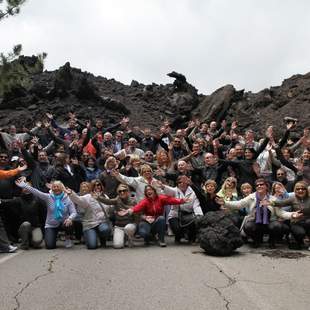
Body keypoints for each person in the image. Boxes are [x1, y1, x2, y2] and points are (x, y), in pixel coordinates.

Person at [220, 178, 301, 248]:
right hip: (255, 221)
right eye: (257, 185)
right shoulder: (251, 197)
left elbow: (281, 213)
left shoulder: (273, 199)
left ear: (266, 186)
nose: (259, 186)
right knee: (248, 226)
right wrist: (225, 203)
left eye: (261, 184)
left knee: (277, 226)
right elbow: (239, 204)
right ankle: (256, 239)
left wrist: (292, 215)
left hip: (270, 222)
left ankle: (271, 240)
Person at [15, 177, 77, 249]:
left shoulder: (67, 198)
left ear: (62, 188)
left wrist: (70, 218)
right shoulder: (48, 197)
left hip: (64, 223)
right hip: (51, 224)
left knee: (69, 224)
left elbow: (74, 212)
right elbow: (36, 192)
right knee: (50, 246)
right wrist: (25, 186)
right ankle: (54, 236)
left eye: (58, 187)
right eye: (54, 187)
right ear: (52, 188)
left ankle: (68, 238)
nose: (56, 188)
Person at [65, 181, 112, 250]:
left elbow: (110, 207)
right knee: (92, 246)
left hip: (102, 222)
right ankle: (90, 236)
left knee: (105, 229)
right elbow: (78, 200)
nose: (97, 187)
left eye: (98, 185)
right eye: (94, 185)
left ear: (101, 186)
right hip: (90, 224)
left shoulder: (105, 196)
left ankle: (102, 239)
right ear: (92, 187)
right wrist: (71, 194)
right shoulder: (88, 197)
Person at [270, 181, 310, 249]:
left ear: (306, 190)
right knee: (300, 234)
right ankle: (298, 239)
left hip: (308, 222)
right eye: (298, 189)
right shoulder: (293, 198)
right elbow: (280, 203)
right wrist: (270, 202)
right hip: (296, 222)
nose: (300, 190)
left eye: (303, 189)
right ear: (295, 190)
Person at [96, 184, 137, 248]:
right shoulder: (116, 200)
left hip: (130, 225)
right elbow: (108, 201)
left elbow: (137, 213)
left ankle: (130, 237)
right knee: (117, 245)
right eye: (120, 191)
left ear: (128, 191)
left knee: (128, 228)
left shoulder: (133, 201)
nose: (122, 192)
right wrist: (99, 197)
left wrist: (128, 210)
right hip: (119, 226)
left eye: (124, 190)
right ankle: (123, 238)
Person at [166, 176, 203, 244]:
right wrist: (162, 186)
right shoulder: (174, 191)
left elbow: (196, 205)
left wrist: (199, 215)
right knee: (177, 229)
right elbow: (167, 189)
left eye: (184, 182)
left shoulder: (193, 192)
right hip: (175, 215)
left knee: (195, 220)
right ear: (177, 183)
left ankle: (191, 238)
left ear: (187, 183)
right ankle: (178, 237)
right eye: (180, 182)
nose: (182, 184)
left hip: (188, 214)